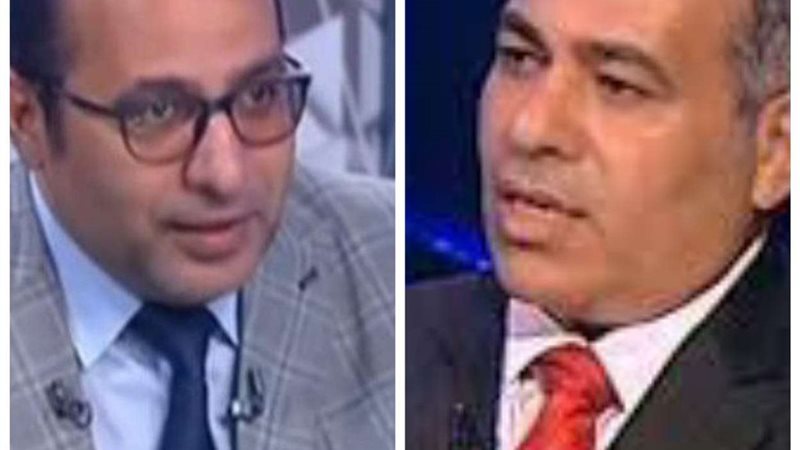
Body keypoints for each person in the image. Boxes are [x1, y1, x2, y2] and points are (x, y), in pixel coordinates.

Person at [10, 0, 394, 449]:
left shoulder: (386, 265)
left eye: (259, 95)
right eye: (157, 111)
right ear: (27, 118)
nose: (226, 176)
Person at [406, 0, 788, 448]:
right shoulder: (385, 344)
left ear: (775, 151)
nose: (530, 129)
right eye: (520, 57)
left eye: (617, 85)